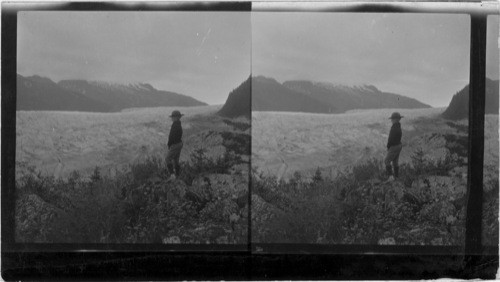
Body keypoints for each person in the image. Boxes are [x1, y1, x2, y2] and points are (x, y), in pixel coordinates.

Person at [385, 112, 403, 181]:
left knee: (386, 161)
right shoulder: (398, 126)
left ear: (396, 119)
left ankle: (391, 177)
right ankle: (397, 177)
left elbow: (391, 139)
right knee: (395, 162)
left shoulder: (394, 128)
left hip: (394, 146)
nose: (391, 120)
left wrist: (388, 147)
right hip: (399, 145)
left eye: (392, 119)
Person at [166, 110, 184, 179]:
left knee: (167, 159)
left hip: (175, 144)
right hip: (179, 144)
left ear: (177, 117)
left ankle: (172, 175)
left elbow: (172, 137)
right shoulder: (178, 125)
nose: (172, 118)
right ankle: (178, 175)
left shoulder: (175, 125)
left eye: (173, 117)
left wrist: (170, 144)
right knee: (176, 160)